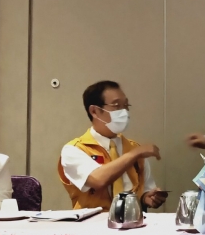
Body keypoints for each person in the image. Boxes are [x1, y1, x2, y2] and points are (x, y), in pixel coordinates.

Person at [58, 81, 167, 211]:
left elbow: (145, 190)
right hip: (93, 222)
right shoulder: (74, 150)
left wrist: (146, 198)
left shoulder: (133, 147)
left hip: (132, 220)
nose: (124, 111)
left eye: (126, 105)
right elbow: (97, 179)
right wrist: (135, 154)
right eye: (116, 106)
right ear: (94, 111)